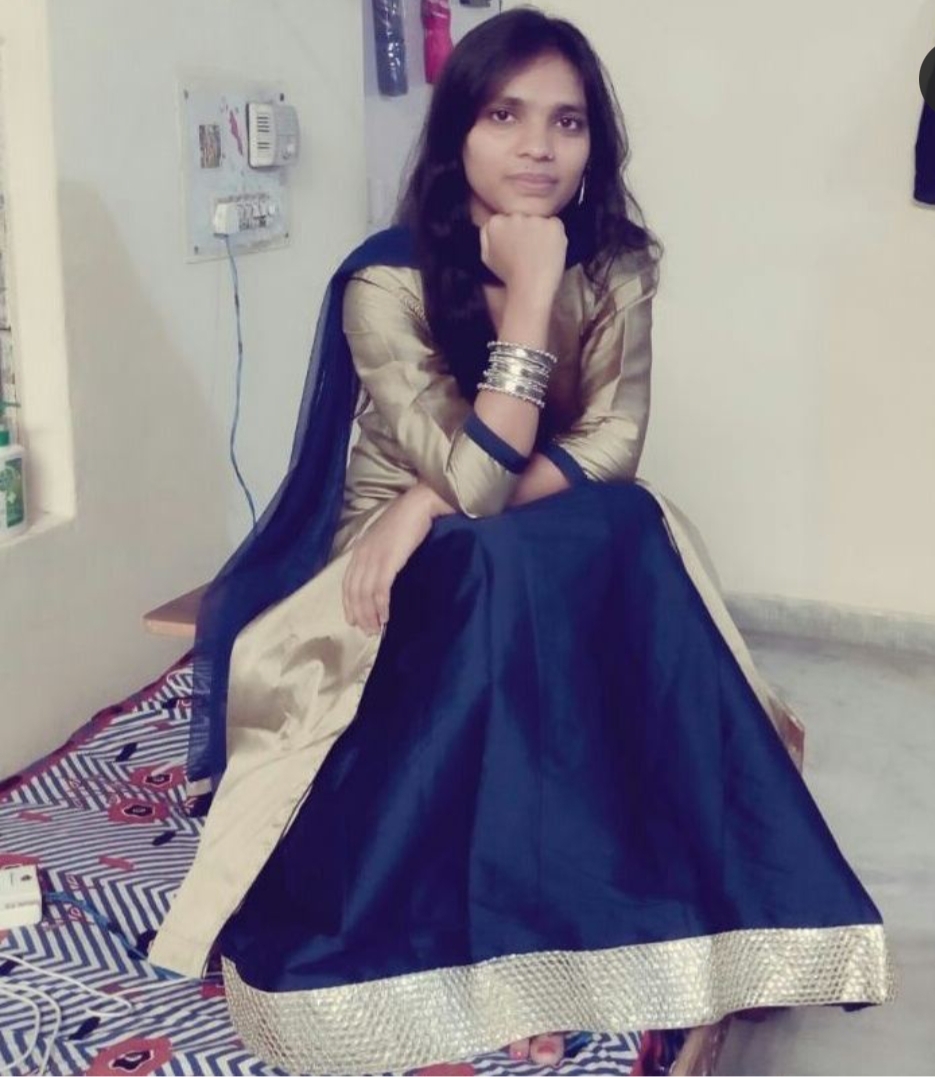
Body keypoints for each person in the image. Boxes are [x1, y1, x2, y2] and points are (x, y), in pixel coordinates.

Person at [150, 9, 893, 1073]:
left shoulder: (617, 264)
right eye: (504, 116)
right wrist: (530, 301)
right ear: (457, 130)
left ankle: (625, 917)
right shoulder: (386, 280)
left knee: (618, 521)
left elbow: (612, 444)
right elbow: (469, 479)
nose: (538, 147)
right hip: (398, 569)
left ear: (594, 143)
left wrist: (436, 495)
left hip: (513, 533)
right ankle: (486, 952)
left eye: (566, 122)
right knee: (495, 557)